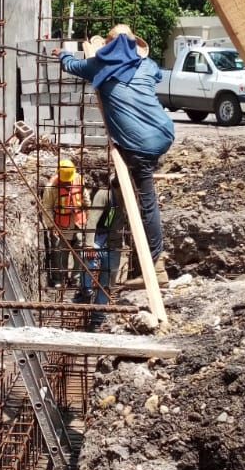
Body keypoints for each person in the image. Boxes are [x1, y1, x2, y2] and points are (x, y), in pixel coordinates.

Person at [58, 25, 174, 307]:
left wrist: (62, 53)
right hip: (164, 132)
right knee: (127, 196)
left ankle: (155, 265)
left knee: (146, 202)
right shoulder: (146, 65)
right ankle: (133, 262)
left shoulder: (99, 64)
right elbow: (156, 73)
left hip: (140, 145)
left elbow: (71, 65)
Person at [41, 155, 88, 288]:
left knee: (79, 250)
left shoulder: (78, 179)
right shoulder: (52, 187)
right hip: (61, 224)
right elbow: (47, 208)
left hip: (78, 222)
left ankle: (76, 280)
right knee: (60, 253)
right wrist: (52, 226)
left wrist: (87, 213)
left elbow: (84, 196)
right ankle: (59, 280)